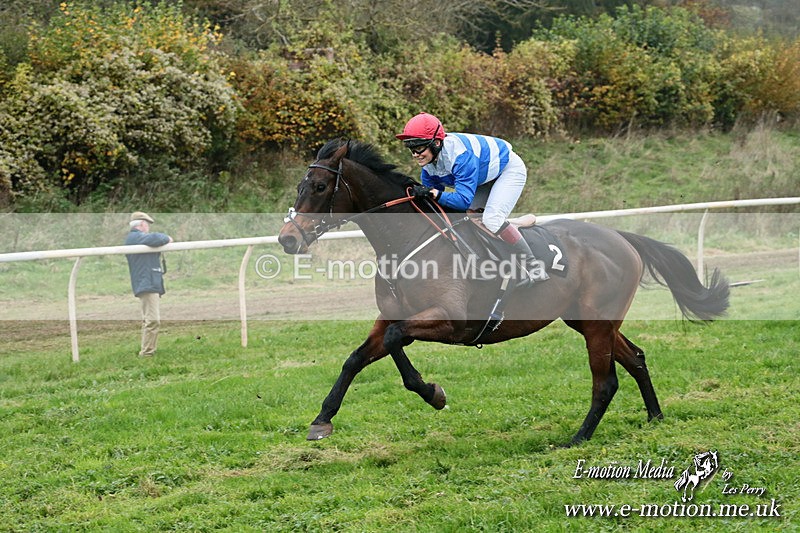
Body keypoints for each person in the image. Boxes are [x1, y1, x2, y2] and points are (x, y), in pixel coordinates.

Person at [397, 112, 545, 286]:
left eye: (419, 147)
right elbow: (436, 206)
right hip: (483, 176)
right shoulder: (428, 166)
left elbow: (462, 200)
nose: (415, 154)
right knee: (465, 219)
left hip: (507, 170)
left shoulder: (461, 157)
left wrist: (433, 193)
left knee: (492, 219)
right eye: (411, 148)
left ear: (436, 143)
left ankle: (534, 267)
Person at [125, 211, 172, 357]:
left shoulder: (137, 238)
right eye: (147, 225)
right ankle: (147, 353)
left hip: (149, 281)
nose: (148, 228)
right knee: (152, 320)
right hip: (146, 282)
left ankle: (147, 350)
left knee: (150, 319)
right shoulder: (135, 237)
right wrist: (168, 238)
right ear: (142, 224)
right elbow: (157, 238)